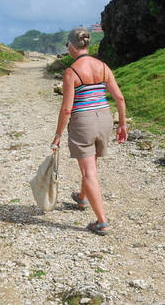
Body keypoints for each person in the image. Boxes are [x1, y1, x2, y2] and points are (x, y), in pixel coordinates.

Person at [51, 27, 127, 235]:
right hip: (104, 118)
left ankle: (101, 222)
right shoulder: (103, 66)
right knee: (91, 163)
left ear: (72, 47)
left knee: (88, 171)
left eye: (67, 45)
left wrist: (57, 136)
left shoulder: (71, 72)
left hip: (83, 122)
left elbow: (67, 108)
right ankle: (82, 198)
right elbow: (119, 98)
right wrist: (122, 124)